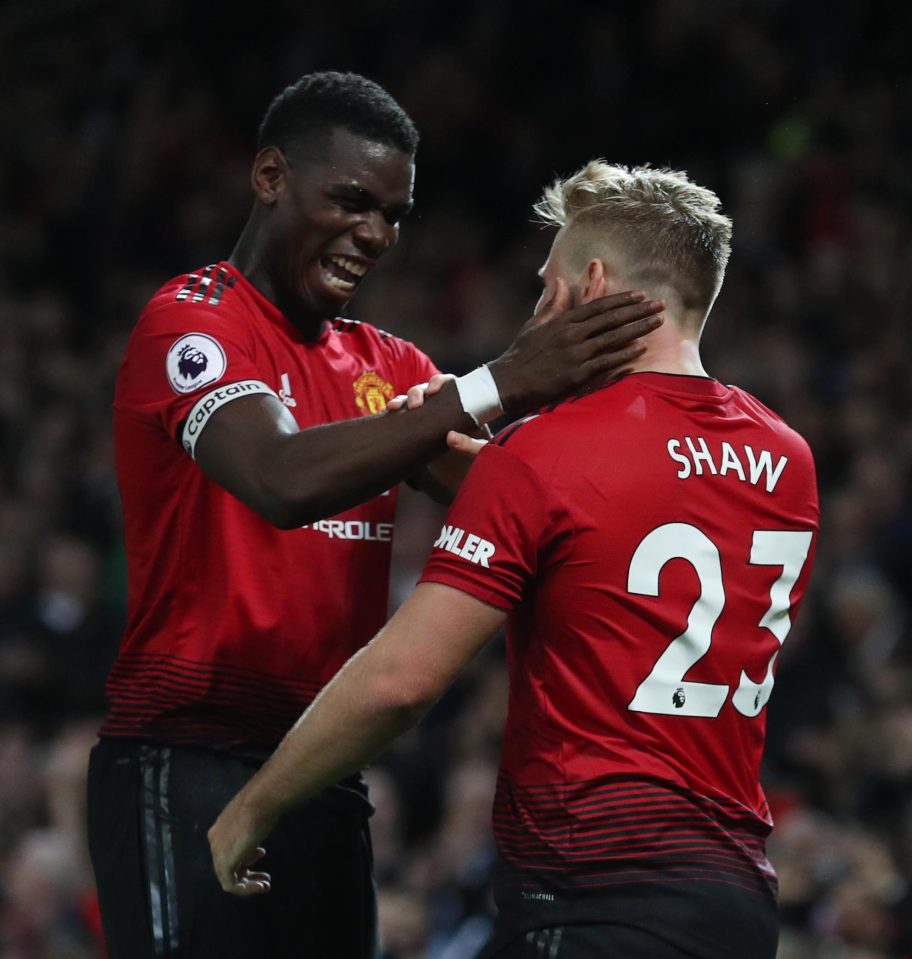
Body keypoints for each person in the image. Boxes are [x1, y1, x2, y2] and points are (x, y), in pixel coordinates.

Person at [86, 73, 665, 959]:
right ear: (271, 177)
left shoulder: (390, 368)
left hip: (320, 775)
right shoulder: (190, 322)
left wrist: (630, 409)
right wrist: (498, 382)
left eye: (393, 214)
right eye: (352, 201)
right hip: (186, 760)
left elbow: (518, 510)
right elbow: (278, 476)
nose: (375, 234)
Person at [207, 159, 820, 959]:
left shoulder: (545, 454)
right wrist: (491, 488)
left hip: (594, 894)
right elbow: (632, 540)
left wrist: (252, 806)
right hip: (732, 903)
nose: (534, 311)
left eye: (545, 286)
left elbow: (404, 679)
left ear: (589, 283)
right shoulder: (787, 457)